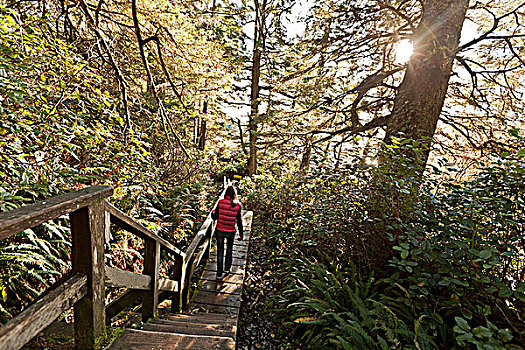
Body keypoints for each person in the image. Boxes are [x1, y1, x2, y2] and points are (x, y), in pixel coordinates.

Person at [211, 185, 244, 280]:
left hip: (220, 230)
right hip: (230, 231)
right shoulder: (237, 205)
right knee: (229, 249)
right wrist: (241, 234)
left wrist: (213, 212)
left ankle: (219, 273)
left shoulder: (220, 202)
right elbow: (239, 221)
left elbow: (215, 217)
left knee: (220, 251)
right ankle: (227, 269)